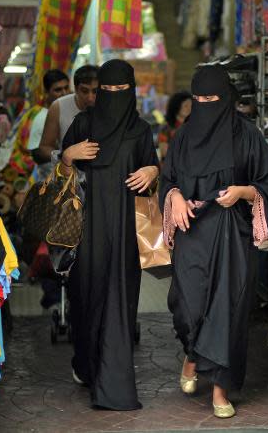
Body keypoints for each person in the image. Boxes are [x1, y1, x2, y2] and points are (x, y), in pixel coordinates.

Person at [159, 65, 268, 419]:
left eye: (211, 99)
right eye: (197, 100)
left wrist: (244, 192)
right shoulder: (183, 137)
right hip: (192, 232)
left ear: (226, 99)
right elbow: (168, 178)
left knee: (227, 312)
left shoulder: (247, 135)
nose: (204, 106)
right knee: (187, 306)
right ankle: (193, 354)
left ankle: (220, 389)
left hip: (232, 234)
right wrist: (176, 197)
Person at [59, 59, 159, 411]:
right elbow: (58, 180)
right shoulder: (82, 124)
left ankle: (112, 378)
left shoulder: (141, 130)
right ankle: (86, 365)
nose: (114, 97)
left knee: (121, 301)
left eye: (122, 91)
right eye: (108, 91)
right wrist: (69, 156)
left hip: (126, 232)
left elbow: (153, 173)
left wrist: (151, 169)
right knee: (86, 300)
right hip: (86, 232)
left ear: (132, 92)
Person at [33, 64, 99, 173]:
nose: (90, 97)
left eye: (95, 91)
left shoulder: (108, 107)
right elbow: (44, 147)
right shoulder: (58, 107)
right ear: (76, 89)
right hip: (69, 174)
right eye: (84, 91)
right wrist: (66, 156)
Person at [158, 91, 192, 160]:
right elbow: (164, 152)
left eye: (191, 106)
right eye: (186, 106)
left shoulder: (194, 126)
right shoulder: (166, 128)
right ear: (176, 106)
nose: (190, 108)